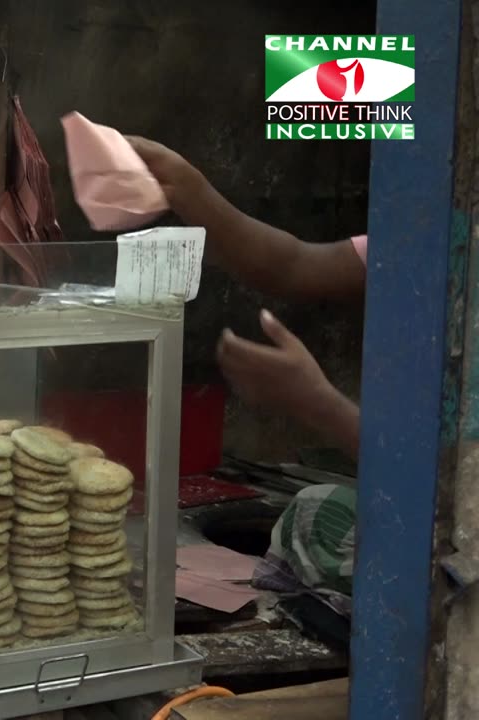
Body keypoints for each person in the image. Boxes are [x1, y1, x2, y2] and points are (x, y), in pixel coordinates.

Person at [127, 135, 364, 615]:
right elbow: (294, 263)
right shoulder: (433, 237)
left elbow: (447, 475)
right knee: (318, 510)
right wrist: (190, 191)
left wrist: (317, 403)